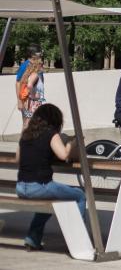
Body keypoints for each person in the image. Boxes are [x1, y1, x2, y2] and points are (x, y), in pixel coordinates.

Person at [15, 103, 86, 251]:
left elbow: (17, 158)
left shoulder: (26, 134)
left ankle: (32, 239)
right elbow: (64, 155)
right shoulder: (51, 134)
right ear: (54, 120)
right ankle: (78, 241)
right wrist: (73, 142)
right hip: (40, 186)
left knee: (49, 202)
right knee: (79, 195)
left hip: (21, 187)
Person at [17, 48, 46, 129]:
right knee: (29, 124)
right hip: (33, 104)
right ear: (37, 65)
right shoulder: (35, 74)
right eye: (41, 64)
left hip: (31, 103)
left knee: (28, 124)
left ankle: (26, 140)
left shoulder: (33, 74)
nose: (42, 64)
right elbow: (29, 85)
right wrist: (34, 96)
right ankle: (26, 140)